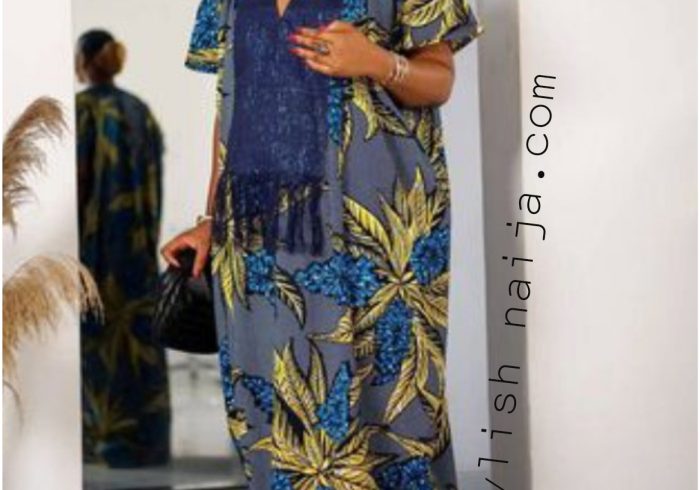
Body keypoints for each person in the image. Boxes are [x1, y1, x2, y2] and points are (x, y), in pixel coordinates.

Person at [162, 0, 482, 486]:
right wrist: (209, 218)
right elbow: (231, 100)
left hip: (373, 234)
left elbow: (439, 80)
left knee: (388, 409)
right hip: (257, 239)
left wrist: (377, 61)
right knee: (276, 417)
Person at [76, 29, 170, 468]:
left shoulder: (82, 110)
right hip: (139, 248)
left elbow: (77, 184)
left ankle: (102, 443)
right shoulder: (139, 110)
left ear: (83, 60)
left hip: (96, 253)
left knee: (100, 343)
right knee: (139, 342)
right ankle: (147, 444)